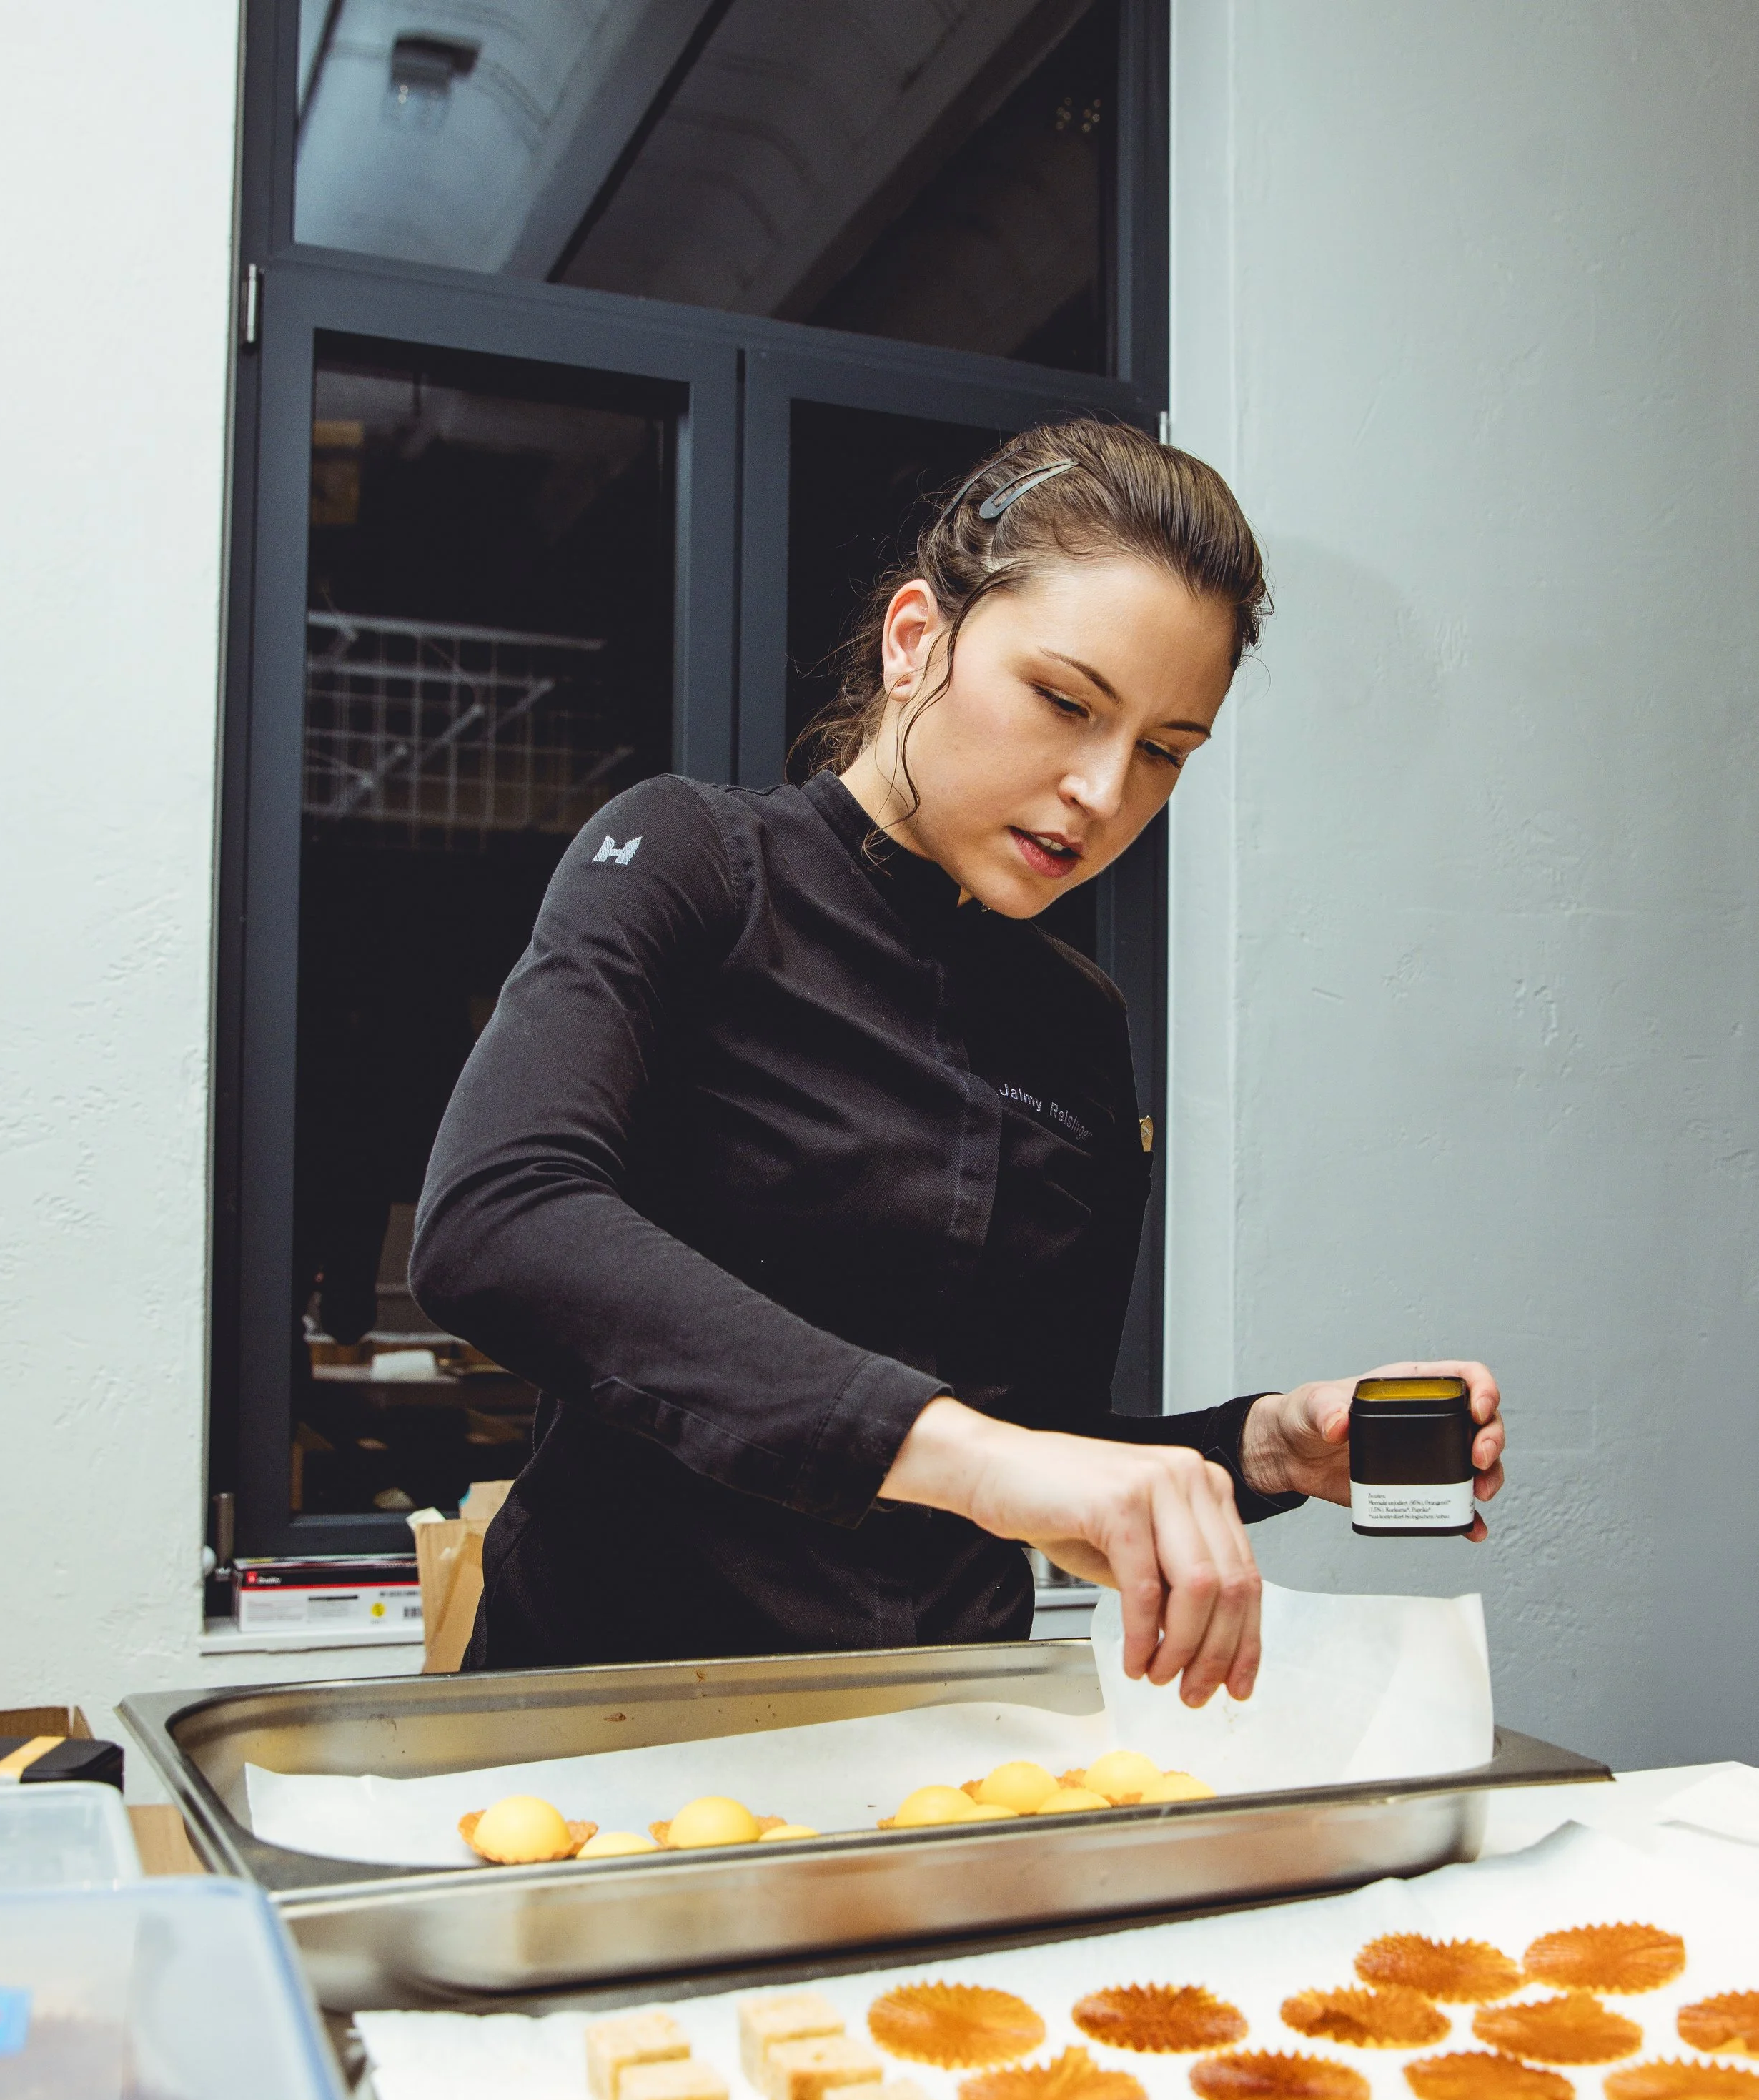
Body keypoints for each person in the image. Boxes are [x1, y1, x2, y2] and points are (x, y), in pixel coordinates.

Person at [412, 419, 1504, 1700]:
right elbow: (499, 1221)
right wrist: (986, 1462)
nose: (1105, 791)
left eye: (1165, 750)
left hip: (947, 1730)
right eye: (1065, 702)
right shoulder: (694, 862)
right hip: (621, 1713)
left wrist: (1261, 1450)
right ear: (915, 639)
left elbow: (1040, 1445)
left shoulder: (1078, 1024)